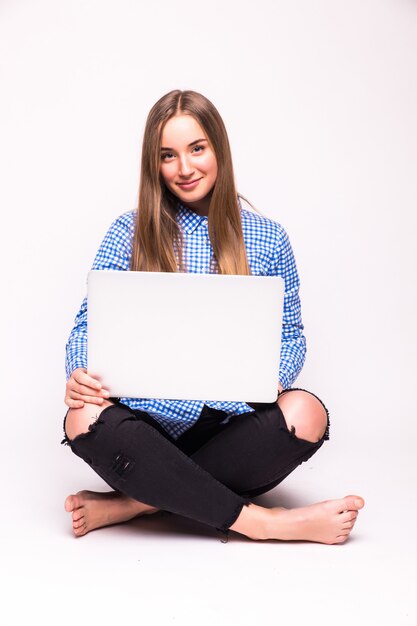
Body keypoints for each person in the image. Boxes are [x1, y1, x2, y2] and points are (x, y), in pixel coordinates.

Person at [62, 89, 364, 543]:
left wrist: (272, 376)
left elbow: (291, 335)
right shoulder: (127, 231)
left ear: (218, 148)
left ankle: (135, 501)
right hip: (144, 424)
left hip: (229, 425)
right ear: (153, 164)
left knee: (307, 410)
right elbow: (88, 324)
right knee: (81, 416)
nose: (184, 168)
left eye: (197, 149)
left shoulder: (267, 237)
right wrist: (79, 372)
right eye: (168, 155)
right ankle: (264, 524)